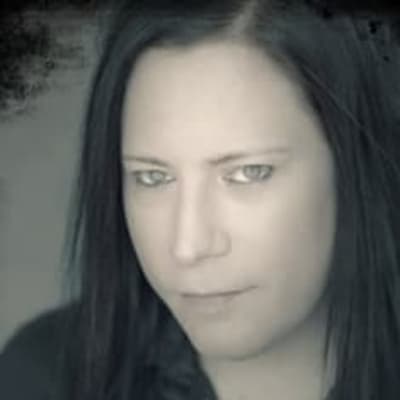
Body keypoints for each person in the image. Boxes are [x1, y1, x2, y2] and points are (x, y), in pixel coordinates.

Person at [1, 1, 400, 399]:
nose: (187, 247)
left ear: (354, 167)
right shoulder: (43, 377)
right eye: (153, 177)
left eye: (248, 172)